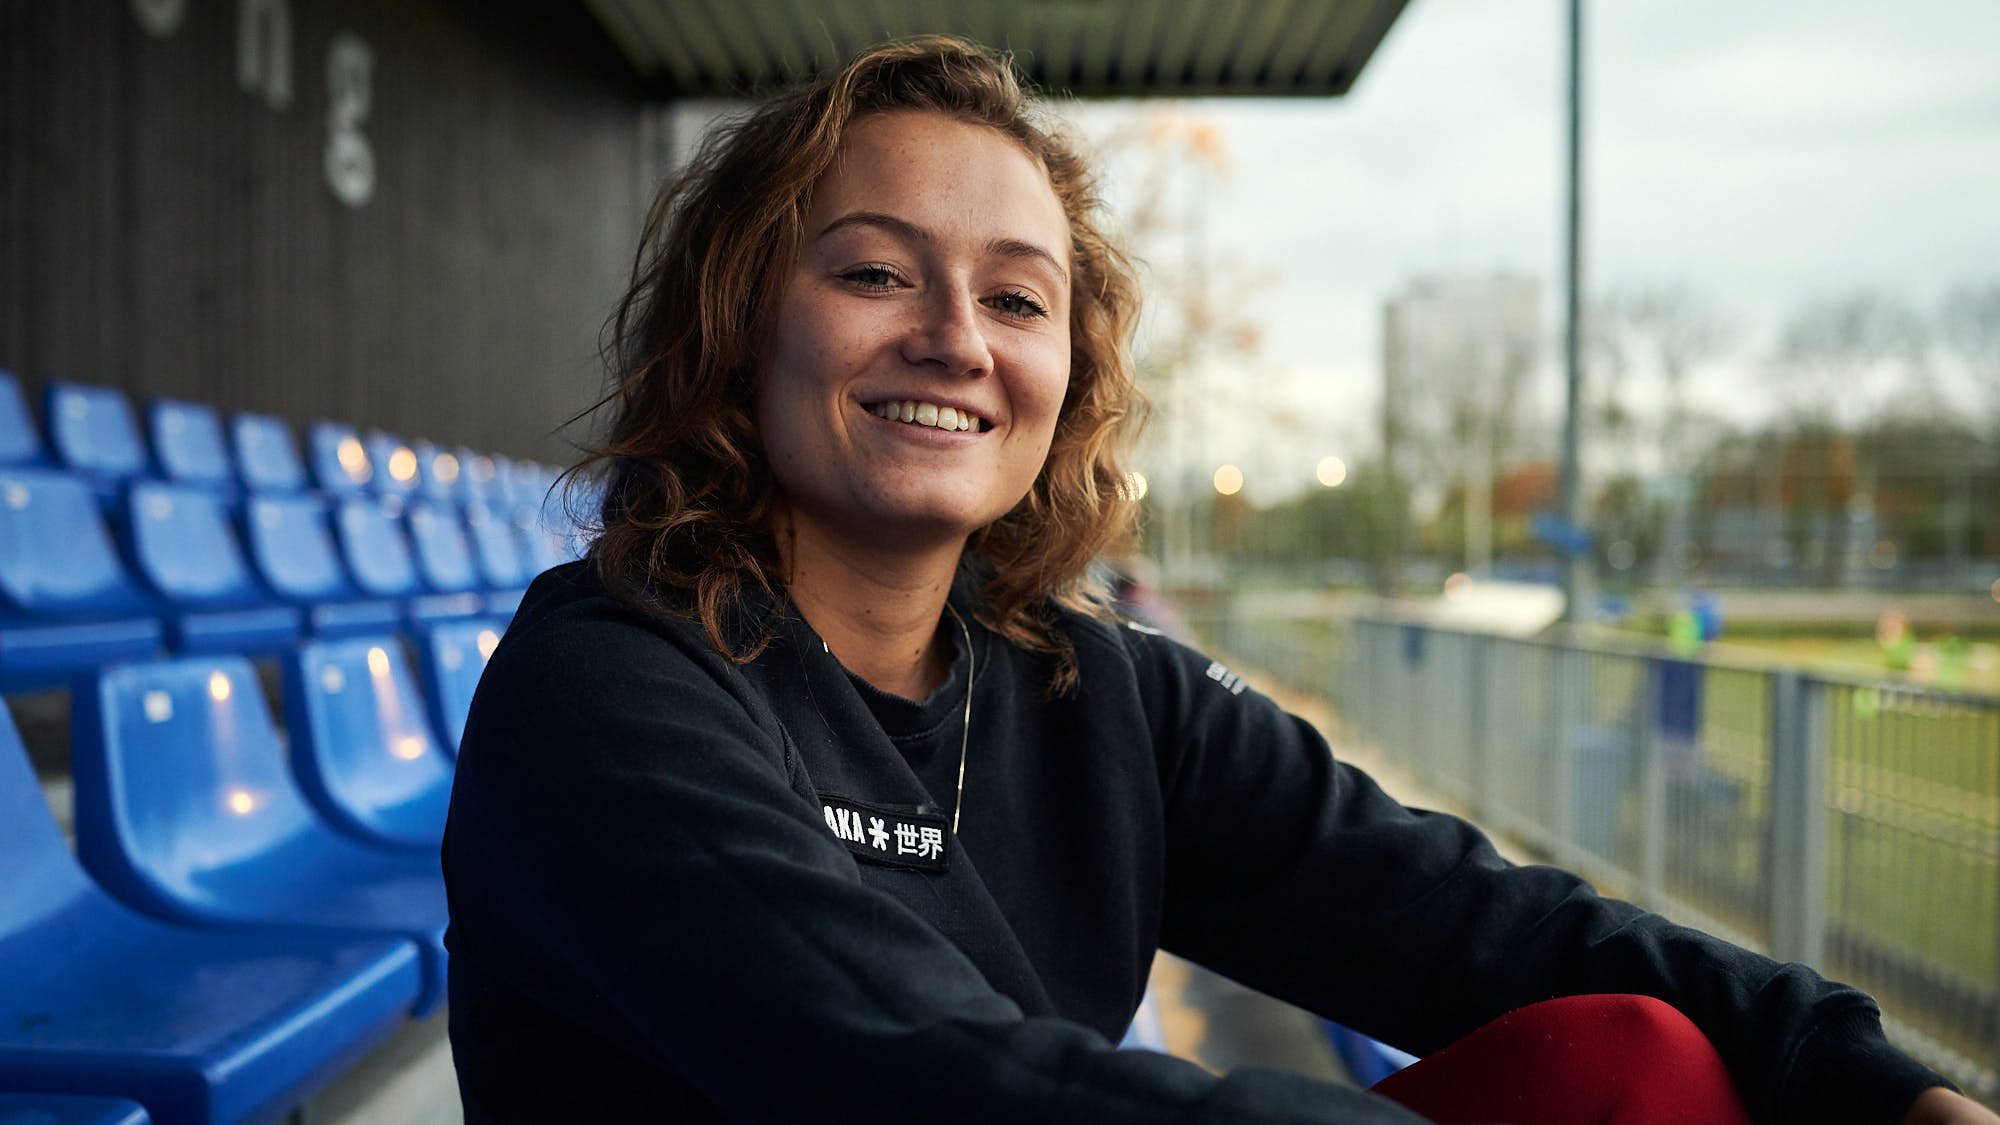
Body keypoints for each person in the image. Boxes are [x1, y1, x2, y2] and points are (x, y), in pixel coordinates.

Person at [439, 35, 1994, 1125]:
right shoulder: (611, 685)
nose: (955, 337)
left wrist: (1863, 1074)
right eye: (870, 270)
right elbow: (914, 1075)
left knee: (1633, 1063)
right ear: (736, 325)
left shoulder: (1086, 682)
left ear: (1067, 371)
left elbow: (1478, 922)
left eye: (1016, 297)